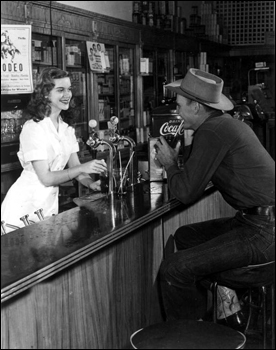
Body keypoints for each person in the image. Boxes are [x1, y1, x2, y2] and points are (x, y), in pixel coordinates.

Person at [154, 68, 275, 328]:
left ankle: (192, 336)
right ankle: (226, 298)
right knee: (186, 236)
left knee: (174, 268)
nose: (177, 113)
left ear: (196, 107)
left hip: (264, 232)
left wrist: (170, 165)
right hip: (257, 222)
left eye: (179, 106)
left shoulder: (212, 131)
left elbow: (186, 192)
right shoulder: (224, 124)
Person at [1, 67, 107, 232]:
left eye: (69, 89)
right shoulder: (33, 128)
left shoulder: (66, 129)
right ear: (45, 94)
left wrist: (91, 183)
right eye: (60, 90)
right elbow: (46, 178)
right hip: (24, 205)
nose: (67, 94)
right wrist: (83, 168)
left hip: (48, 203)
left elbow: (75, 168)